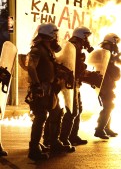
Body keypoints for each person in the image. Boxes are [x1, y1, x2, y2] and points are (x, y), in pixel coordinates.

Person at [26, 23, 75, 161]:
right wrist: (37, 85)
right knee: (40, 117)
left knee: (57, 113)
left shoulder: (48, 50)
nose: (56, 37)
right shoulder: (37, 49)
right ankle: (34, 149)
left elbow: (49, 68)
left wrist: (61, 73)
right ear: (49, 35)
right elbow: (31, 67)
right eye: (54, 35)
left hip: (50, 89)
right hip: (42, 89)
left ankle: (54, 142)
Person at [59, 26, 102, 146]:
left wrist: (88, 75)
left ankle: (72, 136)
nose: (87, 40)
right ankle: (64, 138)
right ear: (82, 36)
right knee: (72, 111)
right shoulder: (73, 47)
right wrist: (87, 74)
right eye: (86, 37)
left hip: (75, 83)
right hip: (70, 83)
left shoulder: (75, 47)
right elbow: (75, 67)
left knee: (77, 110)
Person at [94, 33, 121, 139]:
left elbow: (117, 61)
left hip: (109, 84)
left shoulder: (109, 54)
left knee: (109, 106)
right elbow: (102, 66)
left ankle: (106, 128)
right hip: (104, 85)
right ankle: (99, 129)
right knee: (108, 106)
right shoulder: (102, 54)